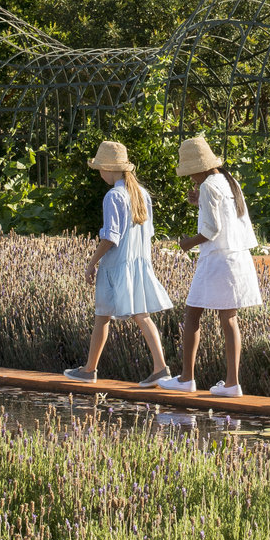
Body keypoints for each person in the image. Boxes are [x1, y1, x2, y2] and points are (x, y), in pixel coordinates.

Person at [65, 139, 173, 384]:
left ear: (109, 169)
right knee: (140, 314)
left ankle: (89, 370)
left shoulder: (114, 195)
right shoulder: (142, 193)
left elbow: (111, 237)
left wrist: (92, 262)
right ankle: (160, 366)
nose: (100, 173)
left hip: (116, 266)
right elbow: (149, 232)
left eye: (100, 168)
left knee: (102, 315)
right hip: (138, 263)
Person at [171, 135, 261, 395]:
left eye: (190, 173)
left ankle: (186, 378)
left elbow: (212, 230)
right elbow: (227, 216)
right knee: (228, 319)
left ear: (200, 168)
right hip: (235, 257)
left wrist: (188, 242)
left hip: (216, 259)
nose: (190, 179)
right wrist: (200, 201)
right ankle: (232, 382)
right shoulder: (227, 181)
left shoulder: (210, 185)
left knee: (192, 314)